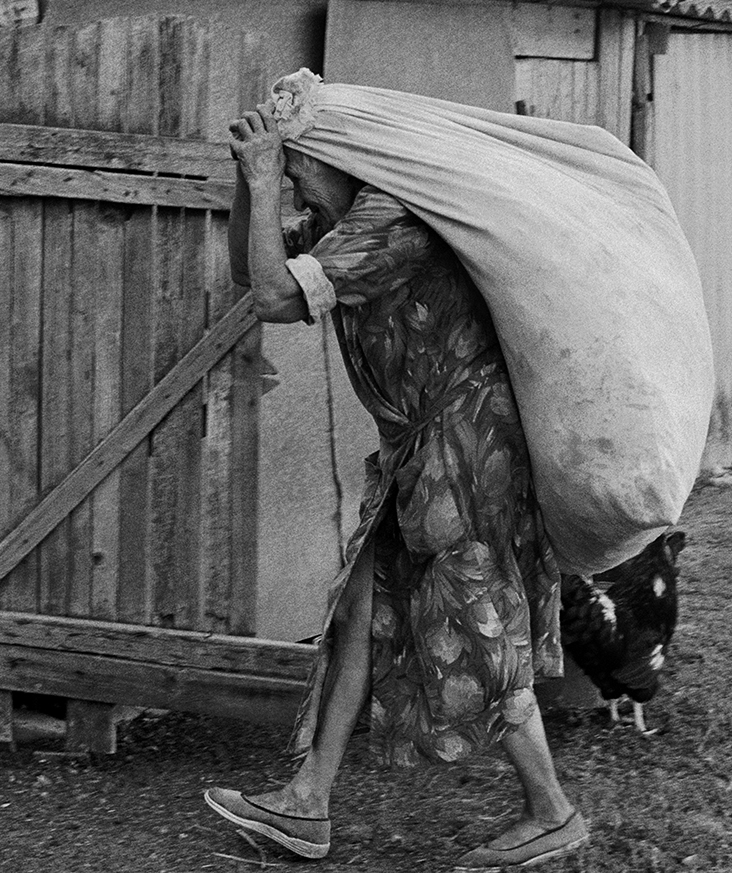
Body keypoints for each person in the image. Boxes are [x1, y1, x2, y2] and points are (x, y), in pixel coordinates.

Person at [202, 90, 589, 870]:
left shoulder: (392, 221)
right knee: (360, 607)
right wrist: (255, 183)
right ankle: (307, 803)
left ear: (340, 158)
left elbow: (279, 295)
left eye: (303, 169)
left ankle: (552, 810)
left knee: (477, 620)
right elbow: (260, 282)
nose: (299, 189)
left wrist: (269, 169)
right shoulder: (340, 220)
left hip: (467, 446)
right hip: (425, 446)